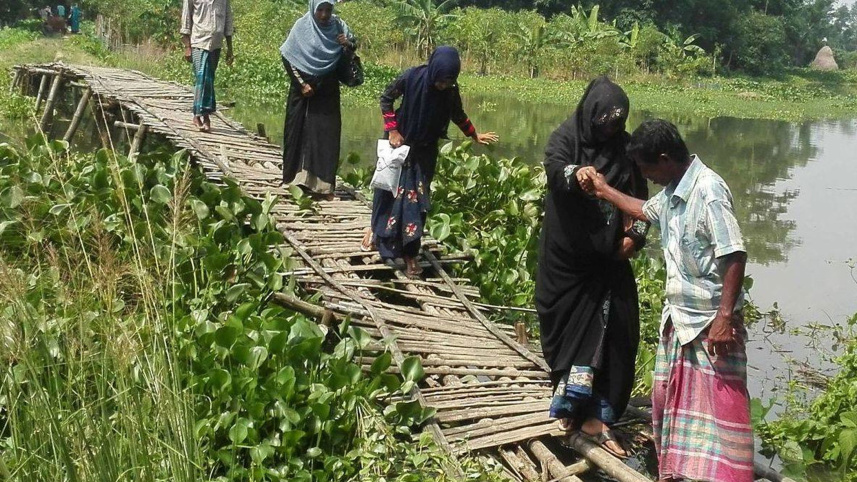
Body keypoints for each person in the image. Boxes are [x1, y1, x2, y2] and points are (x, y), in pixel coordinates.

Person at [578, 119, 754, 482]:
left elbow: (734, 254)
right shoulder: (674, 189)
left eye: (646, 168)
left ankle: (730, 476)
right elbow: (646, 210)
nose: (647, 176)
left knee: (723, 407)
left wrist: (724, 317)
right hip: (679, 318)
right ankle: (682, 471)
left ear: (663, 158)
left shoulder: (708, 190)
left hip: (710, 323)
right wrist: (602, 189)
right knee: (670, 399)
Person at [535, 76, 648, 458]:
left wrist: (636, 237)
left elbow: (644, 202)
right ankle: (571, 407)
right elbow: (555, 169)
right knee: (567, 331)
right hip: (567, 261)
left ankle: (597, 416)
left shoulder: (626, 150)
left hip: (609, 258)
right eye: (605, 124)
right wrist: (576, 173)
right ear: (590, 115)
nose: (611, 131)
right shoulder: (566, 139)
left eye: (617, 124)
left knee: (618, 330)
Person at [363, 46, 498, 277]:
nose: (443, 86)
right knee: (388, 193)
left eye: (448, 82)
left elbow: (458, 114)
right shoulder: (411, 77)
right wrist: (393, 130)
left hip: (424, 152)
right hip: (399, 146)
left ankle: (409, 253)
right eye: (441, 81)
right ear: (433, 70)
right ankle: (377, 233)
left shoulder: (450, 91)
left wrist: (474, 134)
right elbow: (386, 99)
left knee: (417, 202)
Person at [280, 0, 356, 199]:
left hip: (327, 91)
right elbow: (287, 56)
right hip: (302, 91)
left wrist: (347, 44)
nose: (323, 15)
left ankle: (323, 186)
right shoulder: (301, 27)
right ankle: (294, 180)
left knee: (325, 135)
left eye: (328, 10)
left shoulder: (340, 27)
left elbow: (351, 51)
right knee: (298, 132)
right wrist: (301, 85)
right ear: (313, 8)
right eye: (320, 10)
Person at [180, 0, 234, 133]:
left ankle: (199, 113)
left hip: (216, 44)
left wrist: (230, 49)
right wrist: (187, 46)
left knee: (208, 80)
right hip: (199, 42)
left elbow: (228, 21)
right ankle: (202, 116)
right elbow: (186, 19)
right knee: (202, 77)